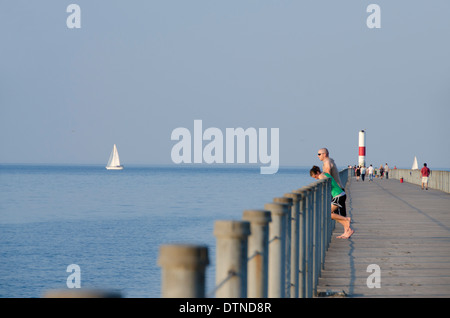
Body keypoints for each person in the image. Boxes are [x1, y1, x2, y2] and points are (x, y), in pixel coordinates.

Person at [310, 166, 353, 239]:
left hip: (338, 196)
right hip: (340, 194)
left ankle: (347, 220)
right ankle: (347, 232)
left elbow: (323, 180)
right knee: (339, 215)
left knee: (327, 213)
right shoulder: (326, 173)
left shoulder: (321, 176)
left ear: (317, 172)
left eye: (315, 176)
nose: (316, 178)